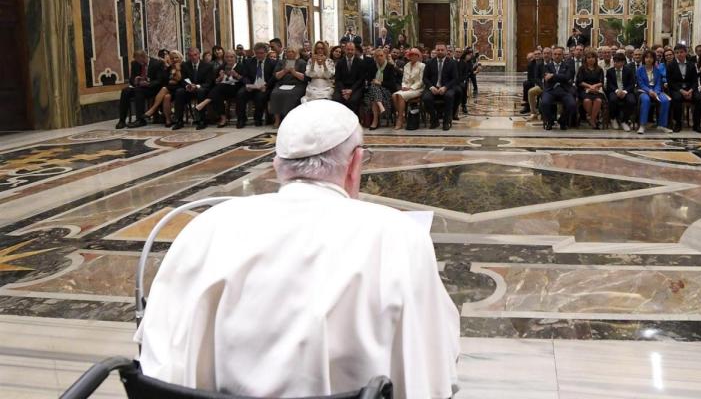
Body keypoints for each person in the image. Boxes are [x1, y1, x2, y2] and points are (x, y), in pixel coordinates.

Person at [136, 100, 460, 399]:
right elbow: (432, 369)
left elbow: (160, 360)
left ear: (277, 164)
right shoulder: (399, 237)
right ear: (355, 163)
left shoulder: (206, 227)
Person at [116, 50, 166, 129]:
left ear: (144, 57)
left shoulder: (157, 63)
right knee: (125, 91)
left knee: (138, 91)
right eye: (136, 60)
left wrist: (148, 83)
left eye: (139, 60)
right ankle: (122, 120)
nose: (138, 62)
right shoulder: (134, 63)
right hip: (139, 87)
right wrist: (135, 81)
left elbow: (160, 80)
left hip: (152, 89)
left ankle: (140, 120)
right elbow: (131, 79)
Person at [196, 50, 244, 128]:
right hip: (222, 89)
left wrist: (236, 75)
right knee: (217, 94)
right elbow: (215, 81)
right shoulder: (222, 67)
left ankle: (206, 101)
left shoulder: (240, 66)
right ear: (225, 58)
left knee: (218, 89)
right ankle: (223, 117)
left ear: (235, 58)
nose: (229, 59)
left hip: (235, 88)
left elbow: (243, 80)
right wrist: (220, 77)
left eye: (231, 57)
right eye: (227, 57)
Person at [173, 48, 215, 130]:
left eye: (195, 55)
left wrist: (197, 86)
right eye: (191, 55)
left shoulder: (207, 66)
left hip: (202, 89)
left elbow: (209, 83)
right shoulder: (185, 65)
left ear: (199, 55)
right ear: (188, 56)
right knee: (179, 92)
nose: (193, 57)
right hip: (189, 89)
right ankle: (179, 121)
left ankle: (202, 120)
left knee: (201, 91)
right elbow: (183, 80)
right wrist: (187, 86)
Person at [665, 44, 701, 133]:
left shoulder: (691, 65)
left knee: (699, 99)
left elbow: (695, 81)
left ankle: (696, 125)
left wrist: (690, 91)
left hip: (690, 89)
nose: (679, 54)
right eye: (677, 53)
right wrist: (682, 91)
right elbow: (670, 82)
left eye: (681, 52)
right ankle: (678, 123)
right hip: (677, 89)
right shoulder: (671, 65)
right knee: (677, 98)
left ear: (686, 53)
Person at [236, 42, 275, 128]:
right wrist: (248, 84)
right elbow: (245, 76)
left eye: (261, 53)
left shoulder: (272, 63)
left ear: (266, 53)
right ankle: (241, 119)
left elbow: (274, 78)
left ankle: (258, 119)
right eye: (257, 53)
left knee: (260, 96)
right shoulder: (248, 62)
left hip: (264, 87)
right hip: (252, 86)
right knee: (240, 94)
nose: (259, 55)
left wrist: (266, 86)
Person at [422, 43, 460, 131]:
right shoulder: (430, 62)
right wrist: (431, 87)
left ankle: (446, 121)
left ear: (446, 51)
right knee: (426, 98)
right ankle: (434, 119)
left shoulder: (452, 63)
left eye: (442, 50)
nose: (440, 51)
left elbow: (455, 79)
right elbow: (425, 78)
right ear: (435, 51)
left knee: (449, 96)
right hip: (433, 88)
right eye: (438, 50)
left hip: (447, 88)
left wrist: (445, 87)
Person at [269, 47, 307, 128]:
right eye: (288, 52)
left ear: (296, 53)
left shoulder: (301, 62)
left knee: (290, 95)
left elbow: (304, 78)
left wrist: (294, 72)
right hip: (282, 84)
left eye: (292, 51)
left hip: (297, 85)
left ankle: (289, 120)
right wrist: (285, 71)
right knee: (275, 93)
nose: (290, 53)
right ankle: (277, 120)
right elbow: (276, 76)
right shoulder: (281, 62)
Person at [540, 46, 576, 131]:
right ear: (552, 55)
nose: (557, 56)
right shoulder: (547, 66)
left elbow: (567, 77)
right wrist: (560, 77)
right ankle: (550, 121)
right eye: (555, 54)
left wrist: (553, 75)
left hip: (564, 90)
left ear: (563, 55)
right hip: (550, 90)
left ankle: (562, 121)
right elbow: (546, 78)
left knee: (572, 105)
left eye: (559, 54)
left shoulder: (567, 65)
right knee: (544, 103)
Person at [636, 51, 671, 135]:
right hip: (644, 90)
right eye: (647, 57)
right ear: (644, 59)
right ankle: (642, 125)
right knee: (646, 100)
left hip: (656, 90)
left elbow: (659, 83)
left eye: (651, 57)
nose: (649, 59)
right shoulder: (639, 70)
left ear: (654, 59)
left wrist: (656, 92)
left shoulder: (657, 70)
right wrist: (649, 91)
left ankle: (662, 125)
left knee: (665, 100)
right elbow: (641, 84)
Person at [366, 48, 400, 130]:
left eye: (381, 55)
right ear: (375, 57)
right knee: (374, 88)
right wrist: (375, 82)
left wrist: (380, 83)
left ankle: (375, 121)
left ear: (384, 56)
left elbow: (392, 84)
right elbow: (369, 79)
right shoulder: (372, 67)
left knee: (374, 91)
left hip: (387, 92)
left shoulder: (390, 67)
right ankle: (380, 107)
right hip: (374, 93)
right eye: (377, 56)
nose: (379, 58)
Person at [393, 48, 425, 130]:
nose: (411, 57)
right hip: (406, 88)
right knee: (394, 95)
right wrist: (404, 86)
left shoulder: (422, 66)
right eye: (410, 55)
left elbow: (421, 81)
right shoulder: (406, 65)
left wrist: (410, 88)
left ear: (418, 56)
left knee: (400, 96)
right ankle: (402, 115)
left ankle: (399, 119)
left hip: (417, 89)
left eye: (414, 55)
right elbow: (403, 79)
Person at [605, 52, 636, 131]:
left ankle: (624, 121)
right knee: (612, 99)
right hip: (614, 90)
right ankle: (613, 118)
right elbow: (609, 84)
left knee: (631, 101)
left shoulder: (629, 71)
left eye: (618, 62)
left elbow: (631, 84)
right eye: (614, 61)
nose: (615, 63)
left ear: (623, 62)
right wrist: (617, 91)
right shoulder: (610, 71)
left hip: (626, 91)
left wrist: (624, 92)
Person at [334, 42, 367, 115]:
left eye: (352, 50)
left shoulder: (360, 62)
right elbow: (338, 79)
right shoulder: (340, 63)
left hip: (355, 88)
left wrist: (351, 90)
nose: (350, 51)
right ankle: (340, 119)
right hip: (342, 88)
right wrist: (343, 91)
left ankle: (353, 120)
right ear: (345, 50)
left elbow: (361, 79)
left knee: (353, 100)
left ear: (355, 50)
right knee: (336, 99)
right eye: (348, 49)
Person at [576, 49, 605, 129]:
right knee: (587, 101)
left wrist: (595, 86)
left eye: (593, 57)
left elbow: (601, 82)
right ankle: (594, 119)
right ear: (586, 59)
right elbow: (580, 82)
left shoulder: (599, 69)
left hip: (596, 90)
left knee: (598, 101)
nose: (591, 59)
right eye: (588, 58)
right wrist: (589, 86)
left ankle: (591, 119)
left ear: (596, 59)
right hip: (584, 90)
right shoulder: (582, 69)